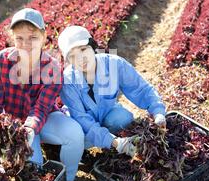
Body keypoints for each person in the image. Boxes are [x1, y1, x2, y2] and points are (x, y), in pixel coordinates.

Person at [0, 9, 94, 181]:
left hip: (43, 119)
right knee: (33, 166)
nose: (25, 44)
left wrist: (31, 129)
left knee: (74, 133)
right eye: (19, 38)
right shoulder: (1, 61)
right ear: (12, 39)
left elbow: (42, 108)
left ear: (43, 36)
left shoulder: (52, 68)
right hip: (14, 125)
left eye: (32, 37)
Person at [58, 25, 167, 156]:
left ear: (93, 47)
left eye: (83, 50)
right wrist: (115, 142)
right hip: (80, 125)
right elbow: (82, 119)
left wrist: (158, 112)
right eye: (72, 56)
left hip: (107, 113)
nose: (81, 59)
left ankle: (108, 142)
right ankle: (96, 146)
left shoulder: (114, 64)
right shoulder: (68, 81)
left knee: (123, 119)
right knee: (77, 140)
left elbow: (141, 88)